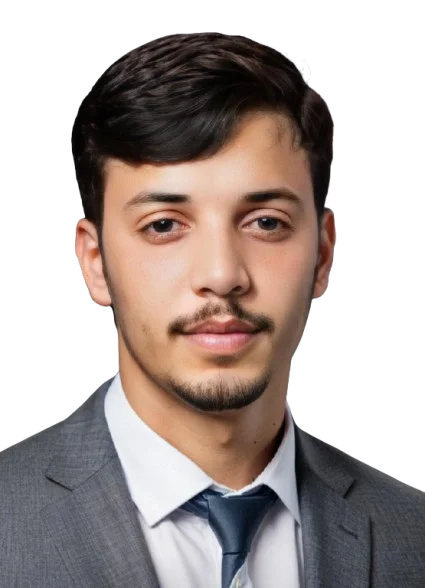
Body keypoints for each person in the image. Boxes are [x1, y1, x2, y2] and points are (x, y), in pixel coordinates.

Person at [1, 32, 424, 588]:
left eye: (266, 222)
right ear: (95, 263)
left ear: (323, 256)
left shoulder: (412, 537)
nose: (222, 275)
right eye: (164, 226)